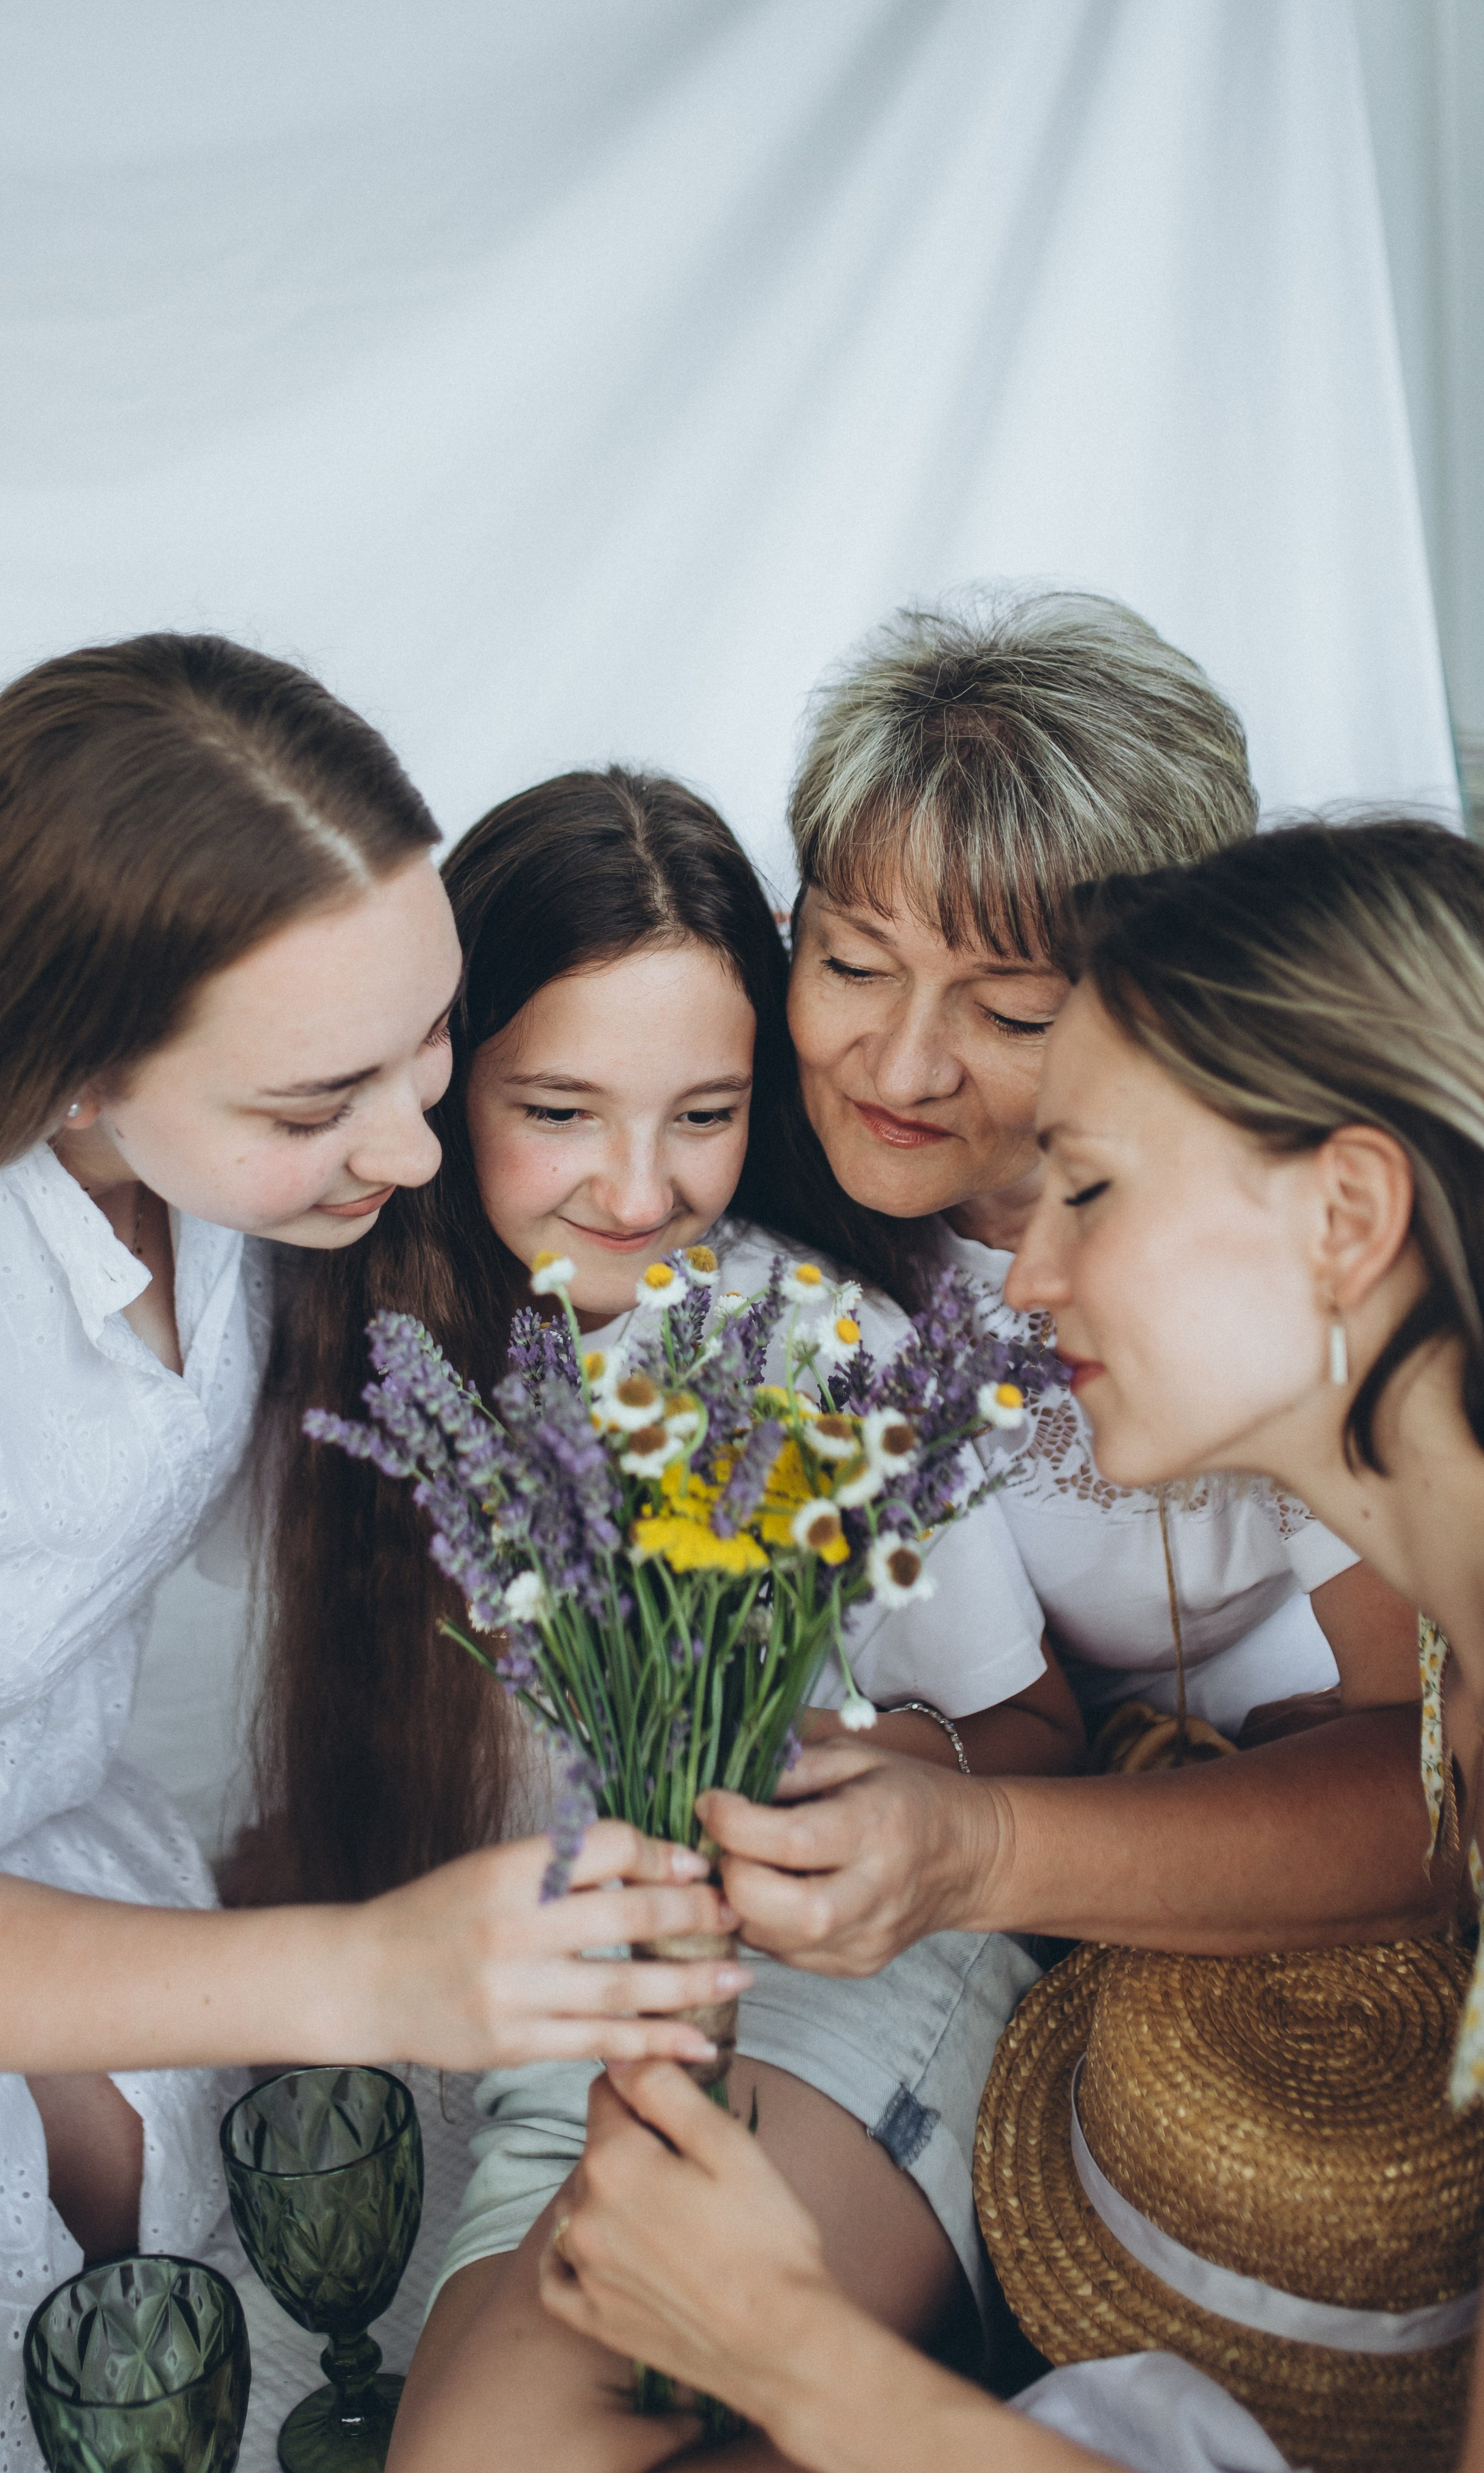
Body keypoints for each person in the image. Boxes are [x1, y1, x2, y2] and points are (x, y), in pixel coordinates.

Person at [394, 597, 1433, 2473]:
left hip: (1227, 1947)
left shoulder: (1254, 1255)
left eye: (1018, 1014)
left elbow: (1434, 1778)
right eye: (851, 960)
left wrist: (974, 1816)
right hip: (885, 1917)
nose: (906, 1061)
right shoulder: (729, 1205)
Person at [0, 638, 737, 2468]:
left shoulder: (228, 1179)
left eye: (431, 1031)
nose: (415, 1135)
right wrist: (367, 1970)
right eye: (314, 1105)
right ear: (72, 1068)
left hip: (54, 1899)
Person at [249, 766, 1082, 2472]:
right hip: (562, 2034)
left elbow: (1035, 1729)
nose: (639, 1192)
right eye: (559, 1111)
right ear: (434, 1078)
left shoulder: (820, 1346)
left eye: (701, 1115)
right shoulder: (358, 1339)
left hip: (827, 1992)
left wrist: (856, 1772)